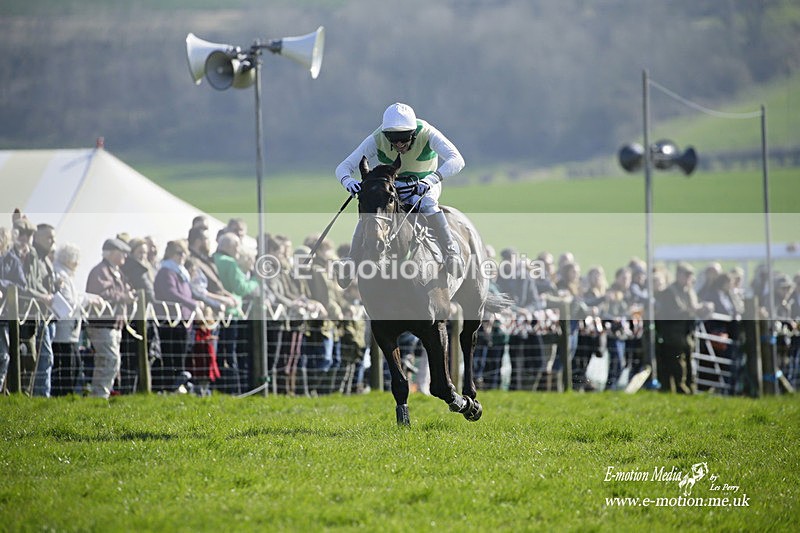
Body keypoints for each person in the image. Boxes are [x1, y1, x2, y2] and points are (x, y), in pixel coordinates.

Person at [335, 102, 466, 282]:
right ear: (386, 134)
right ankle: (351, 260)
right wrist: (348, 181)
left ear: (413, 132)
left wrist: (431, 180)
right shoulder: (377, 137)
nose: (399, 144)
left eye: (404, 137)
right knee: (372, 207)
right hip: (393, 184)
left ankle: (452, 252)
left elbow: (457, 160)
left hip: (425, 182)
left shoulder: (427, 132)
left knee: (427, 203)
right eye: (393, 138)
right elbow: (343, 167)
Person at [85, 238, 136, 398]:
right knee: (109, 360)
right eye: (123, 253)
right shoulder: (100, 271)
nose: (125, 257)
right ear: (113, 253)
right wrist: (124, 296)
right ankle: (100, 396)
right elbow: (99, 293)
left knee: (108, 361)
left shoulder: (114, 271)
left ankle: (100, 395)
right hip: (102, 325)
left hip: (113, 325)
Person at [51, 243, 103, 395]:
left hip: (71, 330)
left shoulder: (66, 275)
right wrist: (89, 301)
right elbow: (69, 301)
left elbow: (76, 296)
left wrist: (90, 298)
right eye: (76, 259)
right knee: (68, 366)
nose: (78, 263)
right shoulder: (61, 274)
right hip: (64, 331)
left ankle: (67, 397)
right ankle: (63, 397)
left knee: (74, 365)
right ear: (69, 259)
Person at [655, 262, 713, 394]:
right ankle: (680, 388)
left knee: (689, 362)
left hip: (687, 333)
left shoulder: (689, 291)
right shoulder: (669, 292)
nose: (688, 278)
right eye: (686, 275)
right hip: (673, 334)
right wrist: (692, 310)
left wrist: (702, 309)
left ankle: (690, 387)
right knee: (678, 364)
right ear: (678, 275)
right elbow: (670, 312)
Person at [154, 240, 203, 391]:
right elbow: (171, 293)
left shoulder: (180, 272)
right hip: (172, 320)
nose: (182, 256)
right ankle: (171, 386)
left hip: (184, 320)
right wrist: (192, 303)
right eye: (179, 253)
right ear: (170, 253)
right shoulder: (166, 272)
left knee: (181, 353)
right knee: (172, 354)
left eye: (184, 253)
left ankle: (179, 384)